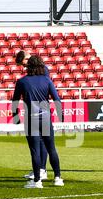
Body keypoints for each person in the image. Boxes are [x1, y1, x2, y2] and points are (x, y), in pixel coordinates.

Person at [12, 55, 64, 188]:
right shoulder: (47, 80)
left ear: (28, 67)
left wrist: (16, 117)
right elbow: (56, 99)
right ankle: (58, 178)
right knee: (51, 148)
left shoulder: (22, 81)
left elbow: (15, 101)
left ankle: (37, 181)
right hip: (45, 117)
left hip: (31, 119)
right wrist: (60, 115)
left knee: (35, 150)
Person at [15, 50, 49, 181]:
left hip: (40, 109)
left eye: (23, 63)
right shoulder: (39, 69)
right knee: (39, 140)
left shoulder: (42, 70)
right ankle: (39, 168)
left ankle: (42, 169)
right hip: (37, 108)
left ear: (27, 59)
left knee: (42, 141)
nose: (23, 67)